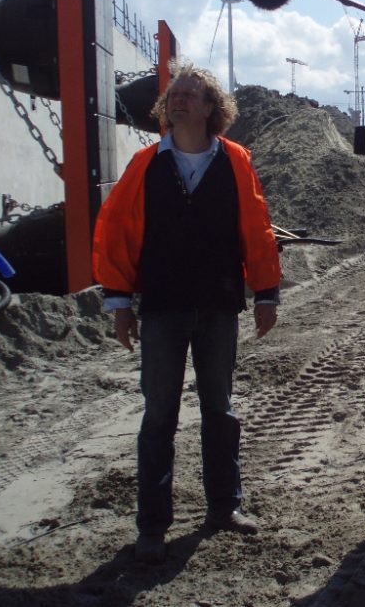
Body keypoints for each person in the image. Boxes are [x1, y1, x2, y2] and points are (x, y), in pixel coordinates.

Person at [92, 61, 281, 564]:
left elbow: (256, 227)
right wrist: (118, 301)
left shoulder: (236, 160)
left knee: (220, 410)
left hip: (219, 305)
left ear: (211, 108)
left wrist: (266, 292)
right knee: (159, 416)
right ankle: (152, 526)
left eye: (191, 94)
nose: (179, 100)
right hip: (161, 307)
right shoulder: (144, 164)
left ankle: (225, 508)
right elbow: (118, 232)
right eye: (173, 94)